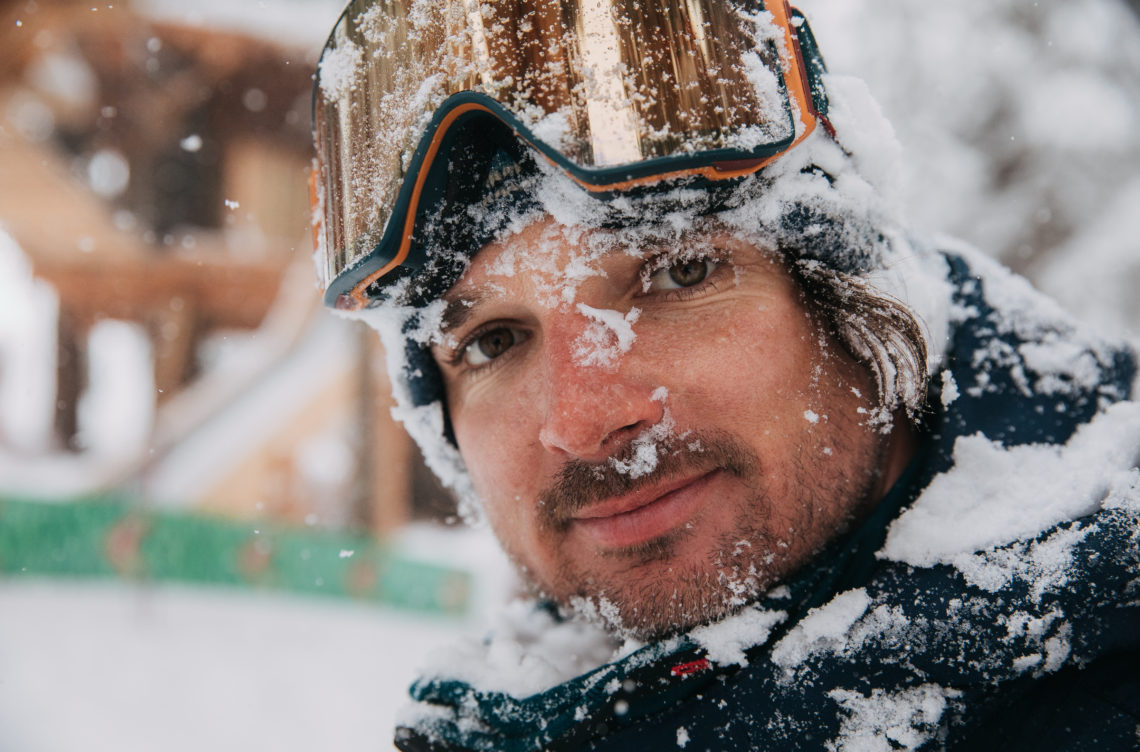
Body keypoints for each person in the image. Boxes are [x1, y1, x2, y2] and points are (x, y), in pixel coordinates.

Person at [310, 0, 1140, 749]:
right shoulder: (510, 717)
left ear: (848, 305)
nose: (585, 416)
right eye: (493, 341)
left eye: (677, 275)